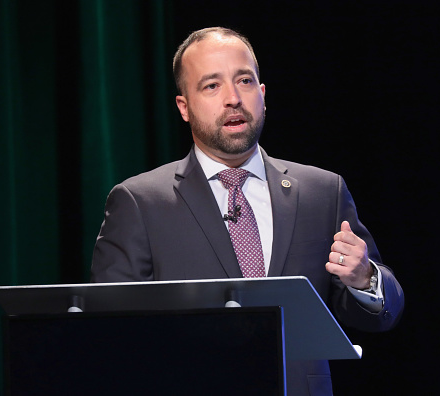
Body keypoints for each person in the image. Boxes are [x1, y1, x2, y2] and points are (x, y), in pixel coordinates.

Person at [91, 27, 404, 396]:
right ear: (184, 107)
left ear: (263, 94)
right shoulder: (140, 202)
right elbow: (107, 331)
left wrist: (364, 277)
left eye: (244, 80)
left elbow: (383, 311)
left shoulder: (322, 192)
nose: (233, 98)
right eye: (212, 86)